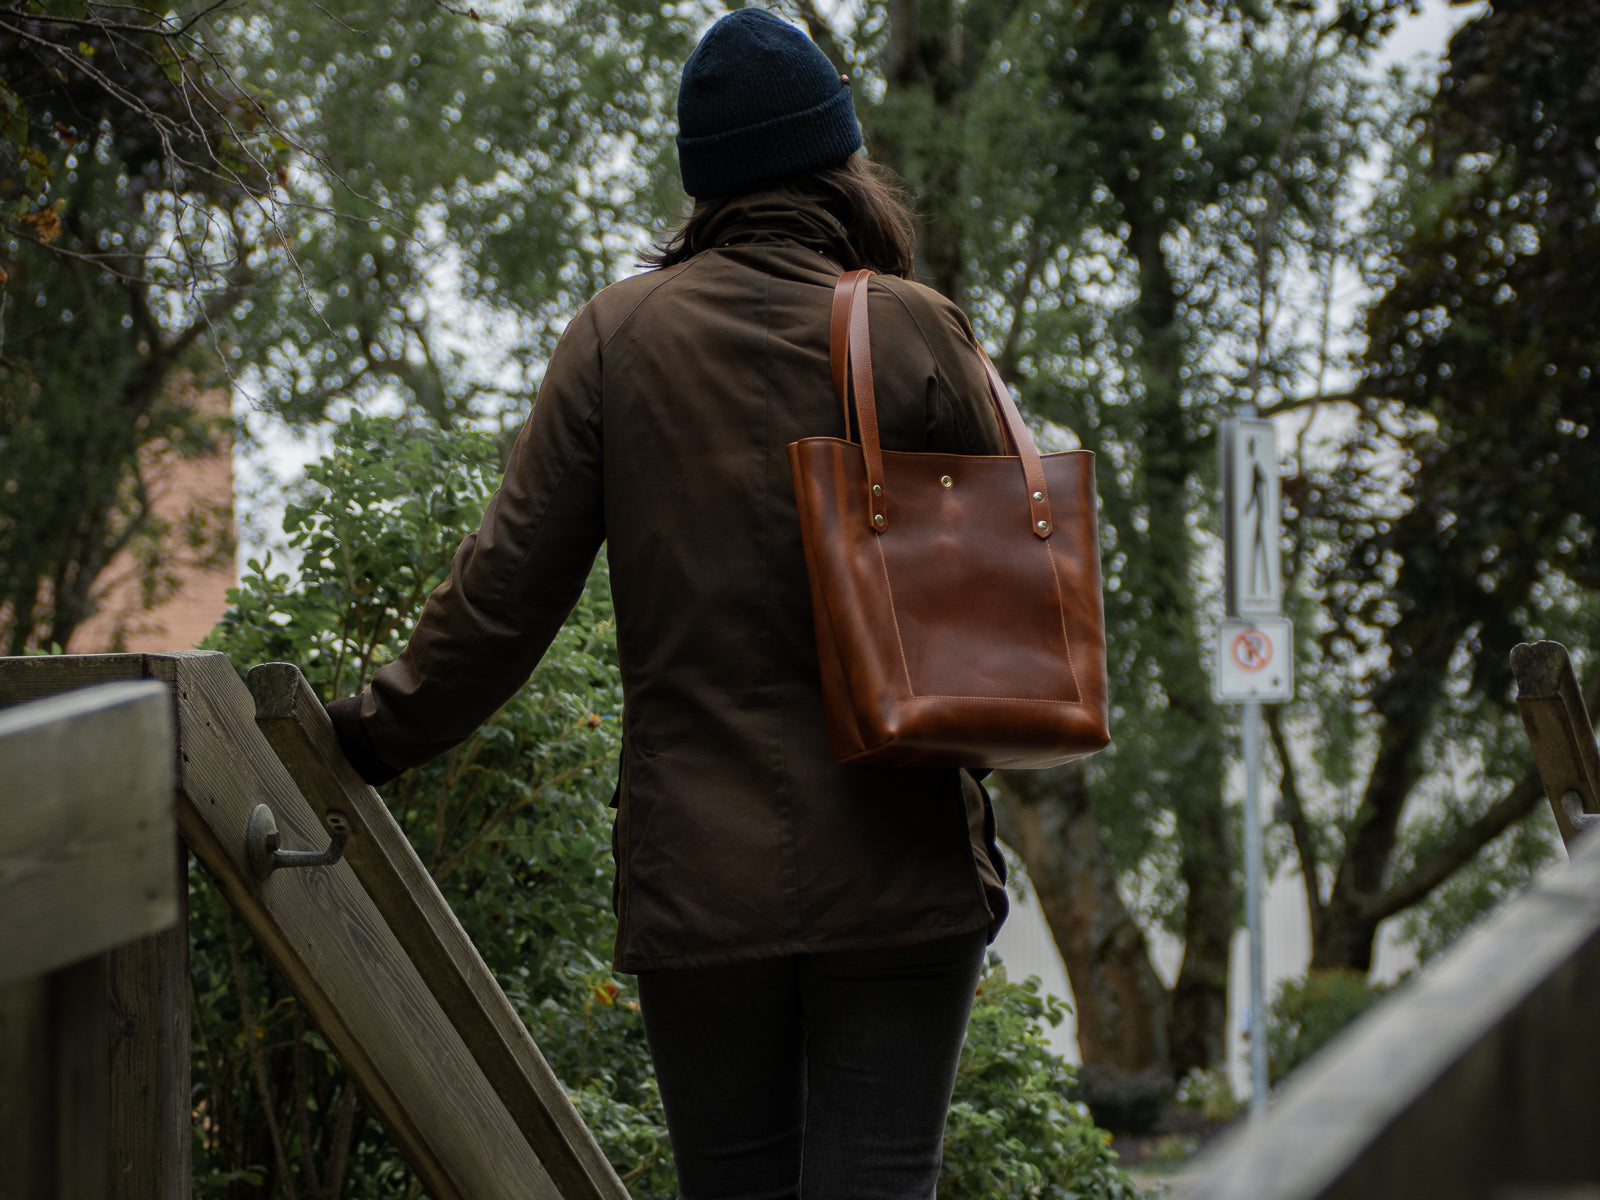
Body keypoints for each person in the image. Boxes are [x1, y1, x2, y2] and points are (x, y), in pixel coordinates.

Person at [326, 9, 1010, 1198]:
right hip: (899, 862)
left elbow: (505, 591)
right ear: (840, 162)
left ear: (705, 183)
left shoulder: (613, 339)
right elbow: (1019, 581)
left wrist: (365, 737)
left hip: (701, 876)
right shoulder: (910, 327)